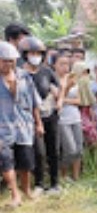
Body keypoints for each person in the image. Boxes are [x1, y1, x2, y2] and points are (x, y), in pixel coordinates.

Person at [0, 41, 43, 205]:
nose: (8, 64)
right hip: (2, 129)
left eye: (11, 60)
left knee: (26, 162)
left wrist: (39, 123)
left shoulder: (24, 76)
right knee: (6, 163)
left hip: (24, 127)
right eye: (4, 60)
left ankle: (26, 189)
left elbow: (34, 102)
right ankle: (15, 195)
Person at [20, 36, 61, 195]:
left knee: (53, 150)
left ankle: (55, 183)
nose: (35, 56)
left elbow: (57, 87)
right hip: (30, 118)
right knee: (38, 152)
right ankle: (39, 184)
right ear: (25, 54)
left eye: (38, 53)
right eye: (32, 53)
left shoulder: (47, 71)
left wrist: (59, 99)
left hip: (50, 115)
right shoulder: (21, 74)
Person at [56, 54, 83, 181]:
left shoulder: (73, 79)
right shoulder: (54, 79)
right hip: (62, 119)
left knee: (78, 149)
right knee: (70, 149)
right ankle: (63, 175)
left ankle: (76, 177)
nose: (65, 67)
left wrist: (65, 99)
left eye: (67, 64)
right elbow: (57, 100)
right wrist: (66, 88)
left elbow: (79, 101)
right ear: (55, 65)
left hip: (76, 117)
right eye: (61, 64)